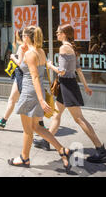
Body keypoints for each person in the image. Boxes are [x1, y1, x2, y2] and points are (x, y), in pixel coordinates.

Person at [34, 24, 106, 163]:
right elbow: (78, 70)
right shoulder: (72, 47)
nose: (56, 34)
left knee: (79, 119)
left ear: (64, 33)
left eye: (58, 32)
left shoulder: (64, 47)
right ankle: (47, 141)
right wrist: (86, 87)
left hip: (67, 86)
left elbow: (62, 71)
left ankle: (100, 150)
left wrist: (49, 65)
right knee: (57, 114)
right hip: (67, 85)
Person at [9, 26, 73, 174]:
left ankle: (24, 158)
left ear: (27, 37)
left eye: (23, 35)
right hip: (38, 94)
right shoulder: (40, 52)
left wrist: (41, 101)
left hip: (29, 93)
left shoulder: (30, 54)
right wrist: (41, 99)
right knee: (37, 127)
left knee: (27, 130)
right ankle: (62, 150)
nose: (21, 38)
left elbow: (35, 77)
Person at [0, 29, 27, 129]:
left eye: (16, 36)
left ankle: (40, 125)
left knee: (19, 101)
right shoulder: (29, 47)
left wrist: (13, 57)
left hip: (21, 75)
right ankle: (3, 121)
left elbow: (20, 63)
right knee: (14, 99)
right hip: (22, 76)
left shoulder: (22, 47)